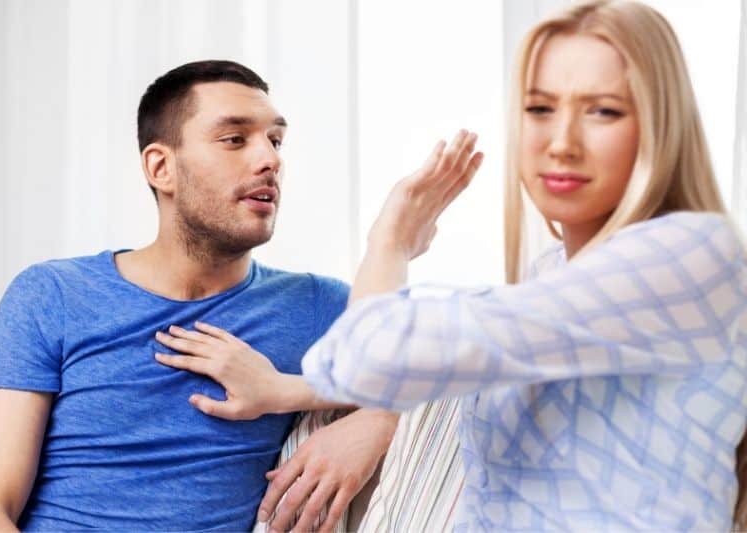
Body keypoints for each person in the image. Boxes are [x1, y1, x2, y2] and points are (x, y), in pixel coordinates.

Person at [299, 1, 747, 531]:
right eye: (540, 109)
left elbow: (368, 359)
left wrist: (391, 240)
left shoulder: (688, 256)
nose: (561, 142)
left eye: (602, 110)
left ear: (659, 126)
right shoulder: (550, 272)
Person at [0, 60, 399, 531]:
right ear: (161, 167)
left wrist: (377, 421)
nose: (269, 159)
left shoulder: (314, 305)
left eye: (276, 140)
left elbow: (450, 366)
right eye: (235, 140)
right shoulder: (53, 295)